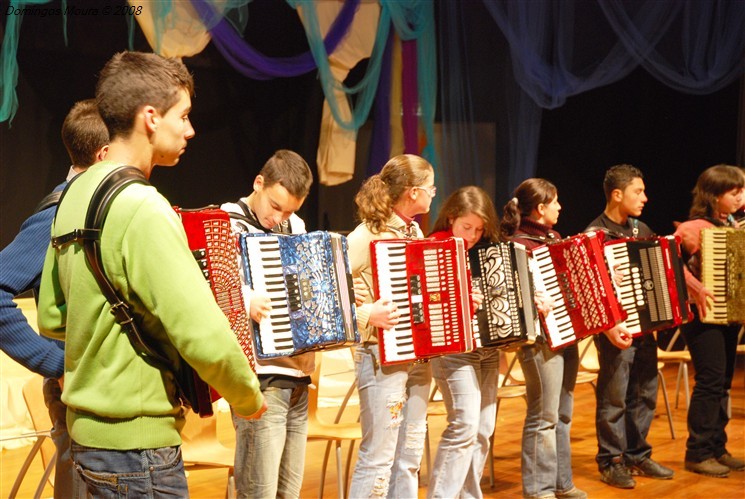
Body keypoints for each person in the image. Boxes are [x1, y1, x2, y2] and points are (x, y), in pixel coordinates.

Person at [37, 51, 266, 498]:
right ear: (150, 117)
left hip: (87, 440)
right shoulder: (143, 206)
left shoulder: (73, 195)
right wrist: (247, 397)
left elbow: (50, 316)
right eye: (183, 116)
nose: (190, 129)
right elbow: (201, 333)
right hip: (139, 451)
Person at [0, 99, 108, 499]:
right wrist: (55, 362)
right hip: (75, 393)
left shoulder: (97, 207)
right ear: (104, 154)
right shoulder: (60, 212)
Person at [220, 149, 314, 498]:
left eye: (289, 210)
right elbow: (206, 282)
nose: (280, 217)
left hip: (298, 373)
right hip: (259, 376)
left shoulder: (296, 226)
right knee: (257, 491)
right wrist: (245, 299)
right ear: (258, 183)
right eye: (275, 206)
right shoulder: (227, 220)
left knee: (288, 491)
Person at [347, 154, 435, 498]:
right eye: (430, 187)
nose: (433, 193)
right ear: (413, 192)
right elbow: (329, 290)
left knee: (410, 454)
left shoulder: (414, 230)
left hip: (416, 355)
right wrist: (368, 314)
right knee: (379, 457)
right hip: (379, 354)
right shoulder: (367, 234)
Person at [585, 164, 674, 489]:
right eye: (638, 191)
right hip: (615, 330)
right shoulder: (595, 234)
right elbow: (591, 291)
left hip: (645, 327)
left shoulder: (641, 229)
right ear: (617, 194)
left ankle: (638, 453)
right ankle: (611, 460)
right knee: (615, 396)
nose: (645, 198)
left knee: (645, 392)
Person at [500, 178, 587, 499]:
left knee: (562, 413)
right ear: (540, 208)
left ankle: (561, 483)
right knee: (543, 415)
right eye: (555, 202)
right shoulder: (518, 245)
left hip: (566, 333)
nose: (560, 207)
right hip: (539, 340)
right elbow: (511, 295)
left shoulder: (554, 240)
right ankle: (538, 490)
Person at [425, 186, 496, 498]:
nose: (472, 236)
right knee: (464, 426)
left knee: (482, 430)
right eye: (466, 227)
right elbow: (427, 302)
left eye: (479, 229)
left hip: (486, 350)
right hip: (452, 351)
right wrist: (464, 299)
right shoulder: (433, 247)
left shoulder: (484, 250)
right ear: (450, 218)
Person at [674, 164, 744, 478]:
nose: (741, 196)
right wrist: (697, 287)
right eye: (735, 191)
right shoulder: (691, 228)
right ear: (714, 196)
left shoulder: (732, 225)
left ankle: (717, 446)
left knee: (724, 383)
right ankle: (698, 451)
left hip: (728, 315)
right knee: (711, 380)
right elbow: (670, 264)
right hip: (701, 316)